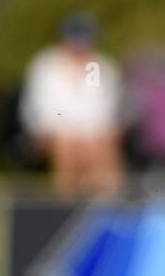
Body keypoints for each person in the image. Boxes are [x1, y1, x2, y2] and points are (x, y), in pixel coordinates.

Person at [19, 14, 124, 199]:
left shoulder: (103, 66)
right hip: (54, 134)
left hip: (92, 135)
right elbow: (38, 110)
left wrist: (91, 135)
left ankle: (105, 205)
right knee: (66, 145)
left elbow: (106, 109)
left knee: (101, 146)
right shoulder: (46, 65)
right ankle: (67, 204)